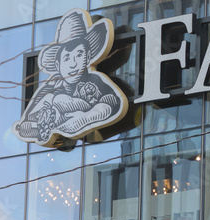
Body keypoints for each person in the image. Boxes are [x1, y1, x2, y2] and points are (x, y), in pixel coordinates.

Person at [13, 9, 126, 146]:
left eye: (78, 55)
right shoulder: (48, 90)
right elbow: (26, 124)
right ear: (58, 64)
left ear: (87, 57)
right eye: (67, 57)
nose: (73, 63)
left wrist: (84, 118)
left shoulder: (94, 81)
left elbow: (112, 102)